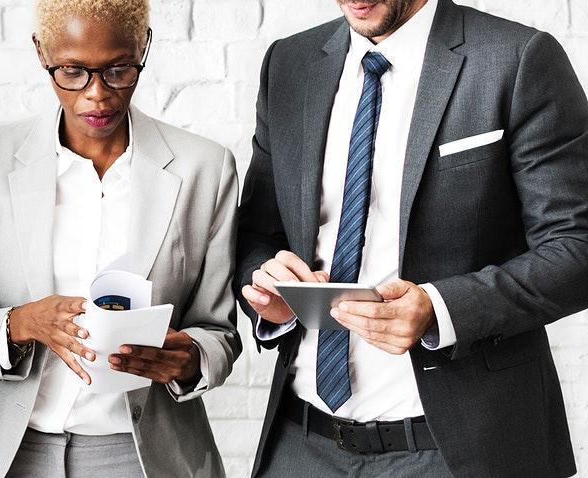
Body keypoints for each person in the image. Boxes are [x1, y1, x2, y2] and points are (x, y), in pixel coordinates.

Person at [235, 0, 588, 476]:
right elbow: (259, 231)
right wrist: (267, 290)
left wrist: (441, 310)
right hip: (303, 443)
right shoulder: (289, 63)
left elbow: (576, 247)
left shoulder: (518, 57)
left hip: (456, 447)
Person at [0, 0, 241, 476]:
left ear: (143, 49)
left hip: (139, 453)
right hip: (0, 452)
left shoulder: (204, 169)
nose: (98, 95)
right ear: (41, 53)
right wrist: (20, 324)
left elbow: (220, 333)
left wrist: (188, 358)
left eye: (118, 70)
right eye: (71, 71)